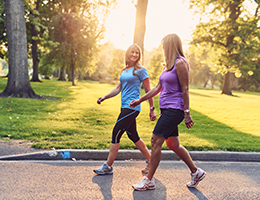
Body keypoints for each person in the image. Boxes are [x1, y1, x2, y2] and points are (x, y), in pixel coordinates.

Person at [130, 33, 206, 190]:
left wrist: (187, 113)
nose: (162, 47)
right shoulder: (168, 65)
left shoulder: (180, 63)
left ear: (171, 45)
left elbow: (185, 89)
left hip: (175, 109)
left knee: (155, 140)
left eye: (164, 45)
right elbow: (158, 87)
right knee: (173, 144)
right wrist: (140, 100)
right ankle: (195, 171)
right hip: (167, 109)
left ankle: (149, 180)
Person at [93, 44, 156, 175]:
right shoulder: (125, 70)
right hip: (124, 107)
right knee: (133, 136)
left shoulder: (141, 70)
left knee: (116, 132)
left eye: (137, 53)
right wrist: (105, 97)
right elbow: (118, 89)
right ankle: (151, 161)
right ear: (127, 54)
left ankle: (108, 166)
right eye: (132, 52)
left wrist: (152, 108)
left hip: (132, 107)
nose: (134, 55)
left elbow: (148, 90)